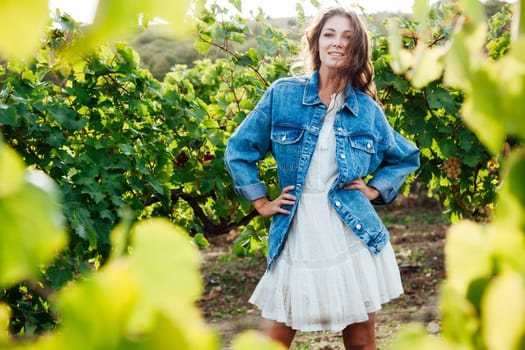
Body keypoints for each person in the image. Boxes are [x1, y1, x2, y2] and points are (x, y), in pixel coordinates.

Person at [225, 6, 420, 350]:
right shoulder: (283, 95)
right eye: (329, 34)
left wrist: (375, 191)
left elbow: (405, 156)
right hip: (298, 230)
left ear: (357, 48)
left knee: (360, 344)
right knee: (273, 341)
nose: (337, 43)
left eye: (347, 37)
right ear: (316, 42)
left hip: (350, 232)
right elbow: (239, 149)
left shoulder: (366, 110)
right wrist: (259, 201)